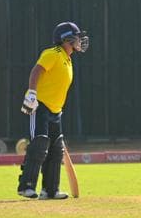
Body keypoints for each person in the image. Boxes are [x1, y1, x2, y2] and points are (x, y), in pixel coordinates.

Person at [17, 21, 90, 200]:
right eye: (77, 37)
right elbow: (36, 71)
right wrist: (32, 93)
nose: (80, 40)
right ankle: (26, 186)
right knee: (40, 142)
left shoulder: (67, 59)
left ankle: (50, 190)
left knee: (57, 149)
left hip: (56, 111)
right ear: (67, 39)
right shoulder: (53, 53)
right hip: (40, 106)